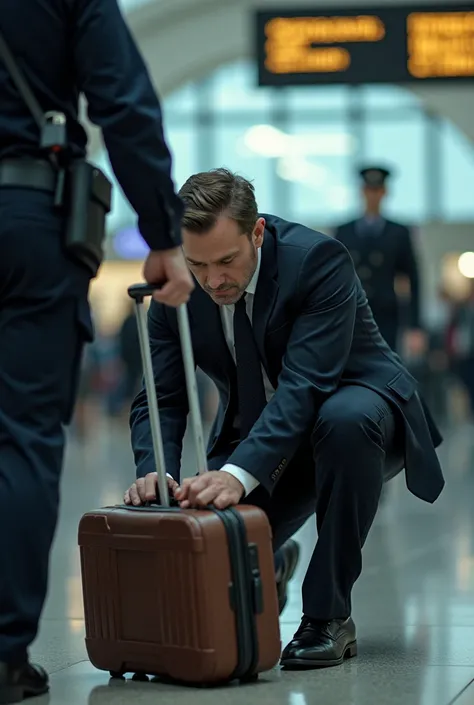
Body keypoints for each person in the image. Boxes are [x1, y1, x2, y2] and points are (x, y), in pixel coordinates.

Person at [124, 168, 445, 670]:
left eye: (227, 261)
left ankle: (327, 616)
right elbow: (159, 395)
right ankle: (272, 554)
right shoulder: (180, 286)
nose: (213, 281)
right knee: (216, 543)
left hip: (359, 413)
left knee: (342, 419)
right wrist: (155, 470)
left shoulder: (316, 260)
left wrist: (235, 474)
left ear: (257, 232)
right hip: (265, 431)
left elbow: (307, 386)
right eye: (198, 264)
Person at [0, 1, 193, 701]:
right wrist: (163, 235)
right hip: (26, 216)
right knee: (20, 436)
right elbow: (125, 102)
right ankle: (3, 653)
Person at [334, 167, 425, 355]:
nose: (372, 196)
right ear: (362, 192)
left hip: (386, 314)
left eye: (377, 190)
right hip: (352, 313)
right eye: (369, 190)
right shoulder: (344, 232)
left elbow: (413, 279)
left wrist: (415, 326)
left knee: (386, 366)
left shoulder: (398, 233)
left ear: (384, 193)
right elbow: (334, 278)